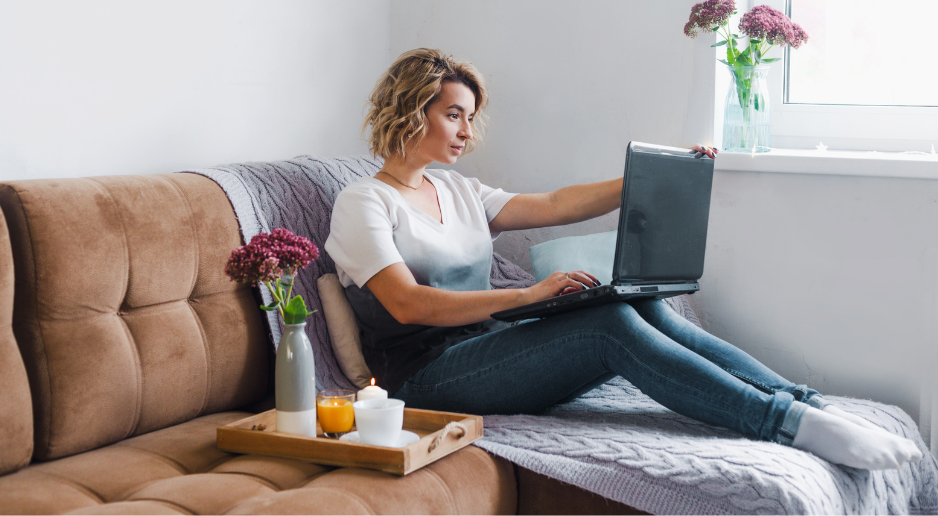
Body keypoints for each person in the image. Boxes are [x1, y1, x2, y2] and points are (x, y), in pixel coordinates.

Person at [324, 48, 922, 470]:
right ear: (410, 109)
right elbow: (405, 303)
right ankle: (788, 426)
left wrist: (651, 175)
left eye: (469, 117)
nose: (465, 131)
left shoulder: (457, 189)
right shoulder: (363, 202)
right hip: (425, 378)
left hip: (484, 350)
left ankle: (803, 404)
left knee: (640, 302)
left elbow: (557, 203)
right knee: (607, 328)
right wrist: (527, 297)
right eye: (453, 113)